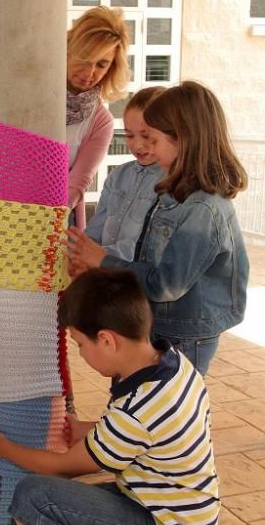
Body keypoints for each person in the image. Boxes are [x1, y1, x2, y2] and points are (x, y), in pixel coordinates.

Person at [0, 268, 219, 525]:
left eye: (80, 344)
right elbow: (154, 433)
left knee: (33, 501)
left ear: (107, 340)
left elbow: (62, 468)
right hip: (185, 519)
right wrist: (89, 430)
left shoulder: (134, 412)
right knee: (39, 515)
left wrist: (2, 448)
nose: (81, 354)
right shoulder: (174, 364)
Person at [67, 81, 249, 375]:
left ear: (184, 140)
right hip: (158, 319)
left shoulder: (203, 209)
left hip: (186, 331)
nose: (145, 147)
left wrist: (102, 261)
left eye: (154, 139)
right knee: (142, 396)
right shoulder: (173, 191)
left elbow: (166, 284)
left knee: (172, 409)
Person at [65, 6, 131, 229]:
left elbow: (77, 184)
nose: (89, 72)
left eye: (101, 64)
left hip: (55, 218)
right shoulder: (32, 93)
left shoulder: (101, 121)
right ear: (67, 50)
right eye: (84, 58)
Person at [84, 86, 166, 261]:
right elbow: (95, 230)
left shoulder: (172, 183)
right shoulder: (118, 175)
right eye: (129, 136)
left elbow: (148, 250)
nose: (137, 146)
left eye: (146, 136)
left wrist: (100, 257)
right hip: (103, 275)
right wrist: (80, 252)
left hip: (137, 281)